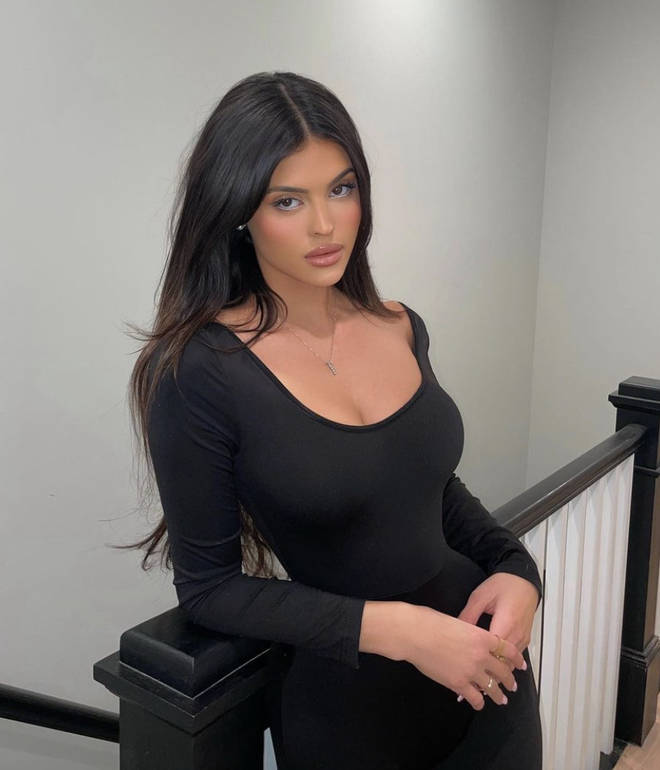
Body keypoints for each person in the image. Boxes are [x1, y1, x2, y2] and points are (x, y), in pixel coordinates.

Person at [122, 71, 543, 769]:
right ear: (238, 211)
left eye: (341, 189)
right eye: (287, 200)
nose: (324, 224)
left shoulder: (400, 325)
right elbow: (209, 589)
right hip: (352, 712)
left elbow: (429, 488)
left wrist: (519, 570)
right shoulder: (198, 370)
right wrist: (403, 631)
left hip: (487, 678)